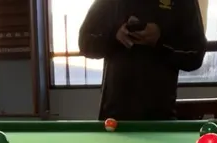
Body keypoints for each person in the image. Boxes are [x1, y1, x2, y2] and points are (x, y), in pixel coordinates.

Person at [78, 0, 207, 121]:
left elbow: (196, 55)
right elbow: (85, 43)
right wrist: (114, 37)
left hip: (160, 118)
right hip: (114, 117)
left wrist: (160, 40)